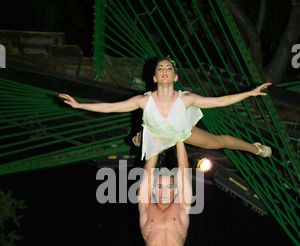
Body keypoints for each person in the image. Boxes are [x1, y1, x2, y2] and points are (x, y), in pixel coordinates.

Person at [59, 55, 272, 160]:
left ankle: (255, 147)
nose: (164, 70)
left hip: (180, 130)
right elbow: (111, 107)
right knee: (150, 165)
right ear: (154, 77)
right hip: (157, 134)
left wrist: (250, 93)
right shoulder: (143, 100)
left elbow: (219, 101)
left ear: (175, 76)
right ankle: (141, 136)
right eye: (160, 68)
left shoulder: (186, 98)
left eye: (168, 68)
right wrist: (79, 105)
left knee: (217, 142)